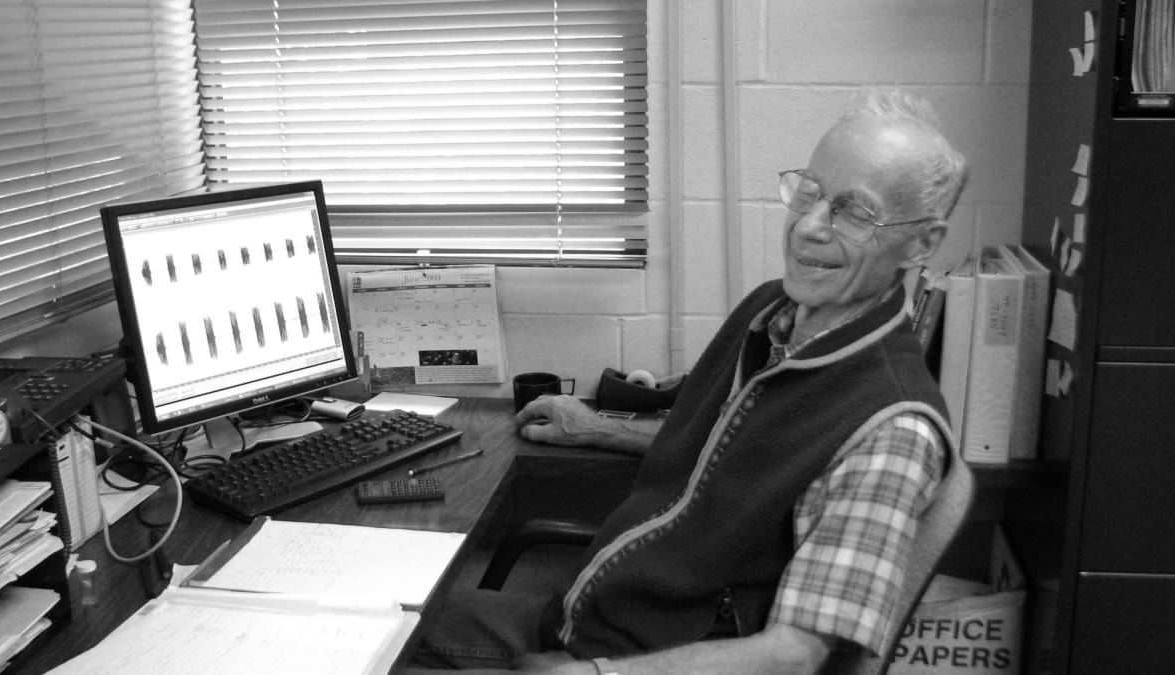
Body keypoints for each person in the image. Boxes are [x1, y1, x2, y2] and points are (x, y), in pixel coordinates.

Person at [411, 87, 968, 675]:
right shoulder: (772, 315)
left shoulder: (891, 429)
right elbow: (739, 454)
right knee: (368, 623)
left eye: (854, 211)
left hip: (637, 661)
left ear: (923, 241)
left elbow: (794, 657)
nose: (808, 227)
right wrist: (600, 429)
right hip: (588, 622)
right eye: (810, 192)